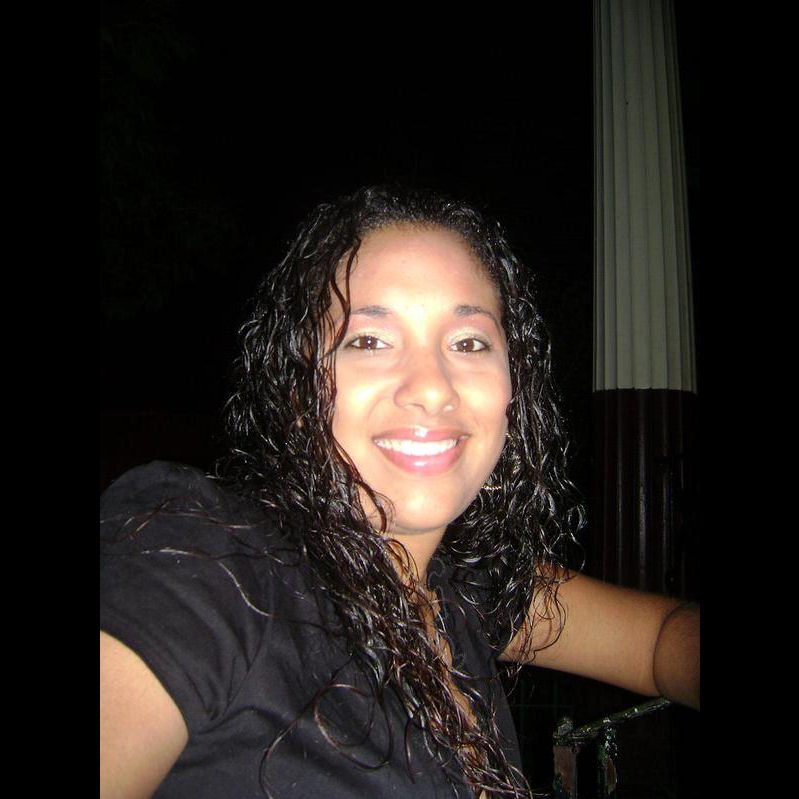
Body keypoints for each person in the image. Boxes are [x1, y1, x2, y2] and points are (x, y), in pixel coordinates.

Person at [100, 186, 699, 799]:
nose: (432, 387)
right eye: (368, 341)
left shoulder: (469, 591)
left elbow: (658, 643)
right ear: (298, 392)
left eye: (468, 343)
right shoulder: (202, 561)